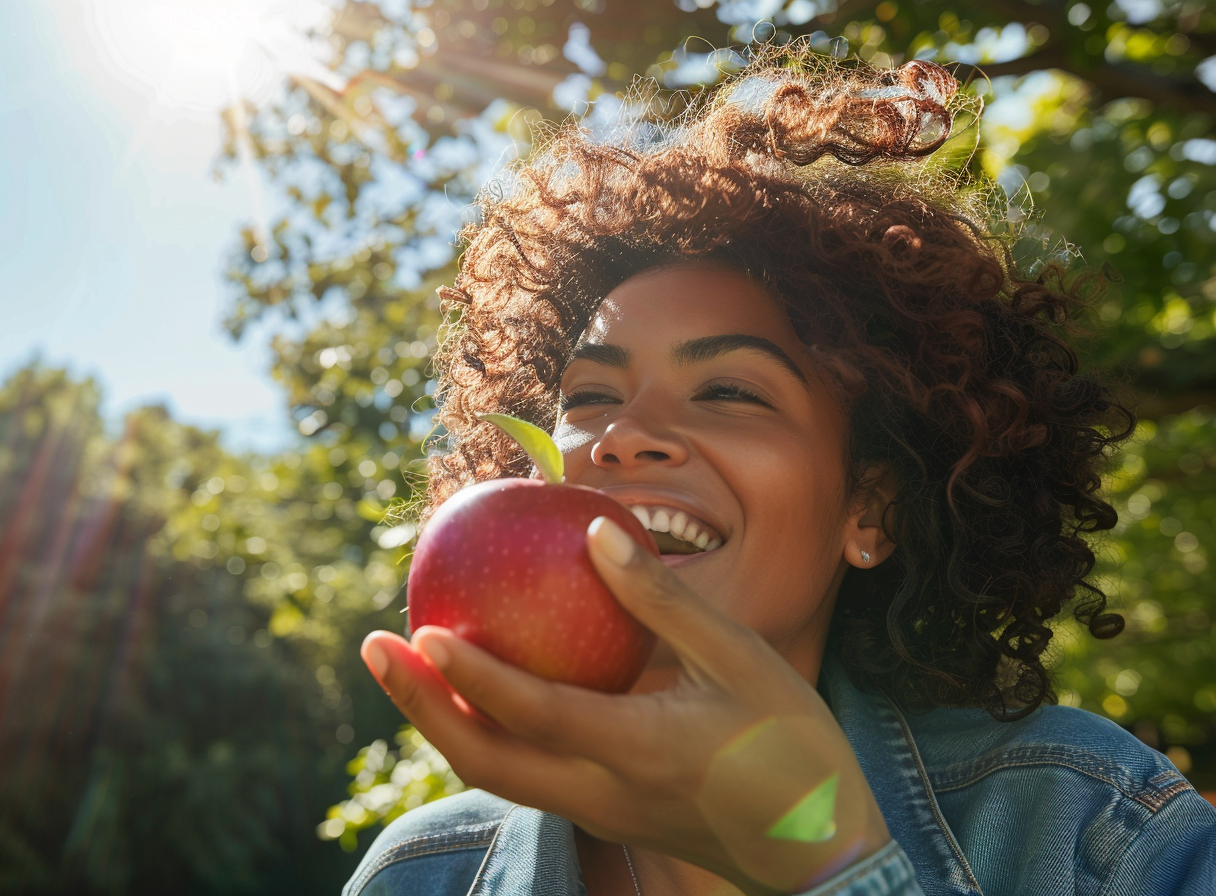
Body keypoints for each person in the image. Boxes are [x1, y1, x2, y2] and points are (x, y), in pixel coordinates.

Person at [346, 46, 1216, 895]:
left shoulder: (1091, 832)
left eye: (727, 390)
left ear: (870, 511)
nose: (625, 435)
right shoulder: (423, 875)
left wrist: (834, 870)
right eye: (588, 397)